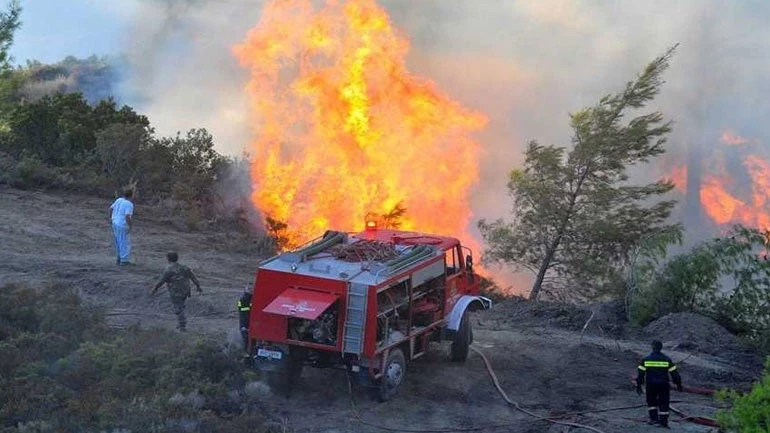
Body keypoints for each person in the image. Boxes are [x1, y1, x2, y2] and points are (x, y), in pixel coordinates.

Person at [149, 252, 202, 331]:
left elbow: (162, 280)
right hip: (186, 290)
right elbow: (193, 277)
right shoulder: (184, 267)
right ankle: (180, 322)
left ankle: (182, 325)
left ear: (168, 259)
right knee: (181, 305)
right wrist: (198, 286)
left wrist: (155, 288)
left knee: (178, 308)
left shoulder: (169, 269)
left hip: (175, 291)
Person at [636, 340, 683, 428]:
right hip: (664, 385)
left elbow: (640, 374)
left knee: (651, 401)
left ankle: (653, 419)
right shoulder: (667, 359)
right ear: (661, 348)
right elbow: (675, 373)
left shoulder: (646, 359)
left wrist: (639, 385)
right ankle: (664, 422)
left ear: (652, 347)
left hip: (651, 384)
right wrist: (678, 384)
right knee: (664, 402)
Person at [109, 189, 135, 265]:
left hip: (115, 222)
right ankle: (124, 260)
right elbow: (127, 216)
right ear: (131, 195)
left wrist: (111, 218)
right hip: (122, 224)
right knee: (124, 242)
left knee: (118, 241)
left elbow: (110, 209)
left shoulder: (119, 200)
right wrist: (130, 226)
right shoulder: (129, 204)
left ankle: (119, 257)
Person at [237, 285, 253, 354]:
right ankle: (246, 354)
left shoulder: (252, 298)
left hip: (249, 324)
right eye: (249, 289)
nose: (251, 290)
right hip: (245, 324)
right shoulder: (243, 300)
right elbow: (243, 311)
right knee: (246, 341)